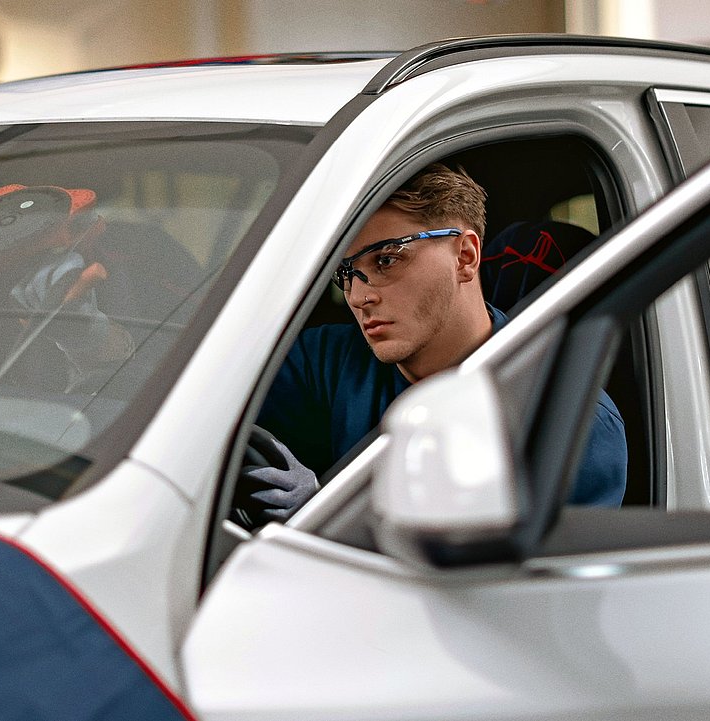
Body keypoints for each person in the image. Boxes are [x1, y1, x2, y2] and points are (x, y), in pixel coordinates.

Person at [242, 163, 627, 523]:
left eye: (386, 261)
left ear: (465, 256)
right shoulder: (327, 359)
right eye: (347, 272)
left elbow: (527, 591)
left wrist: (331, 519)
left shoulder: (570, 419)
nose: (358, 297)